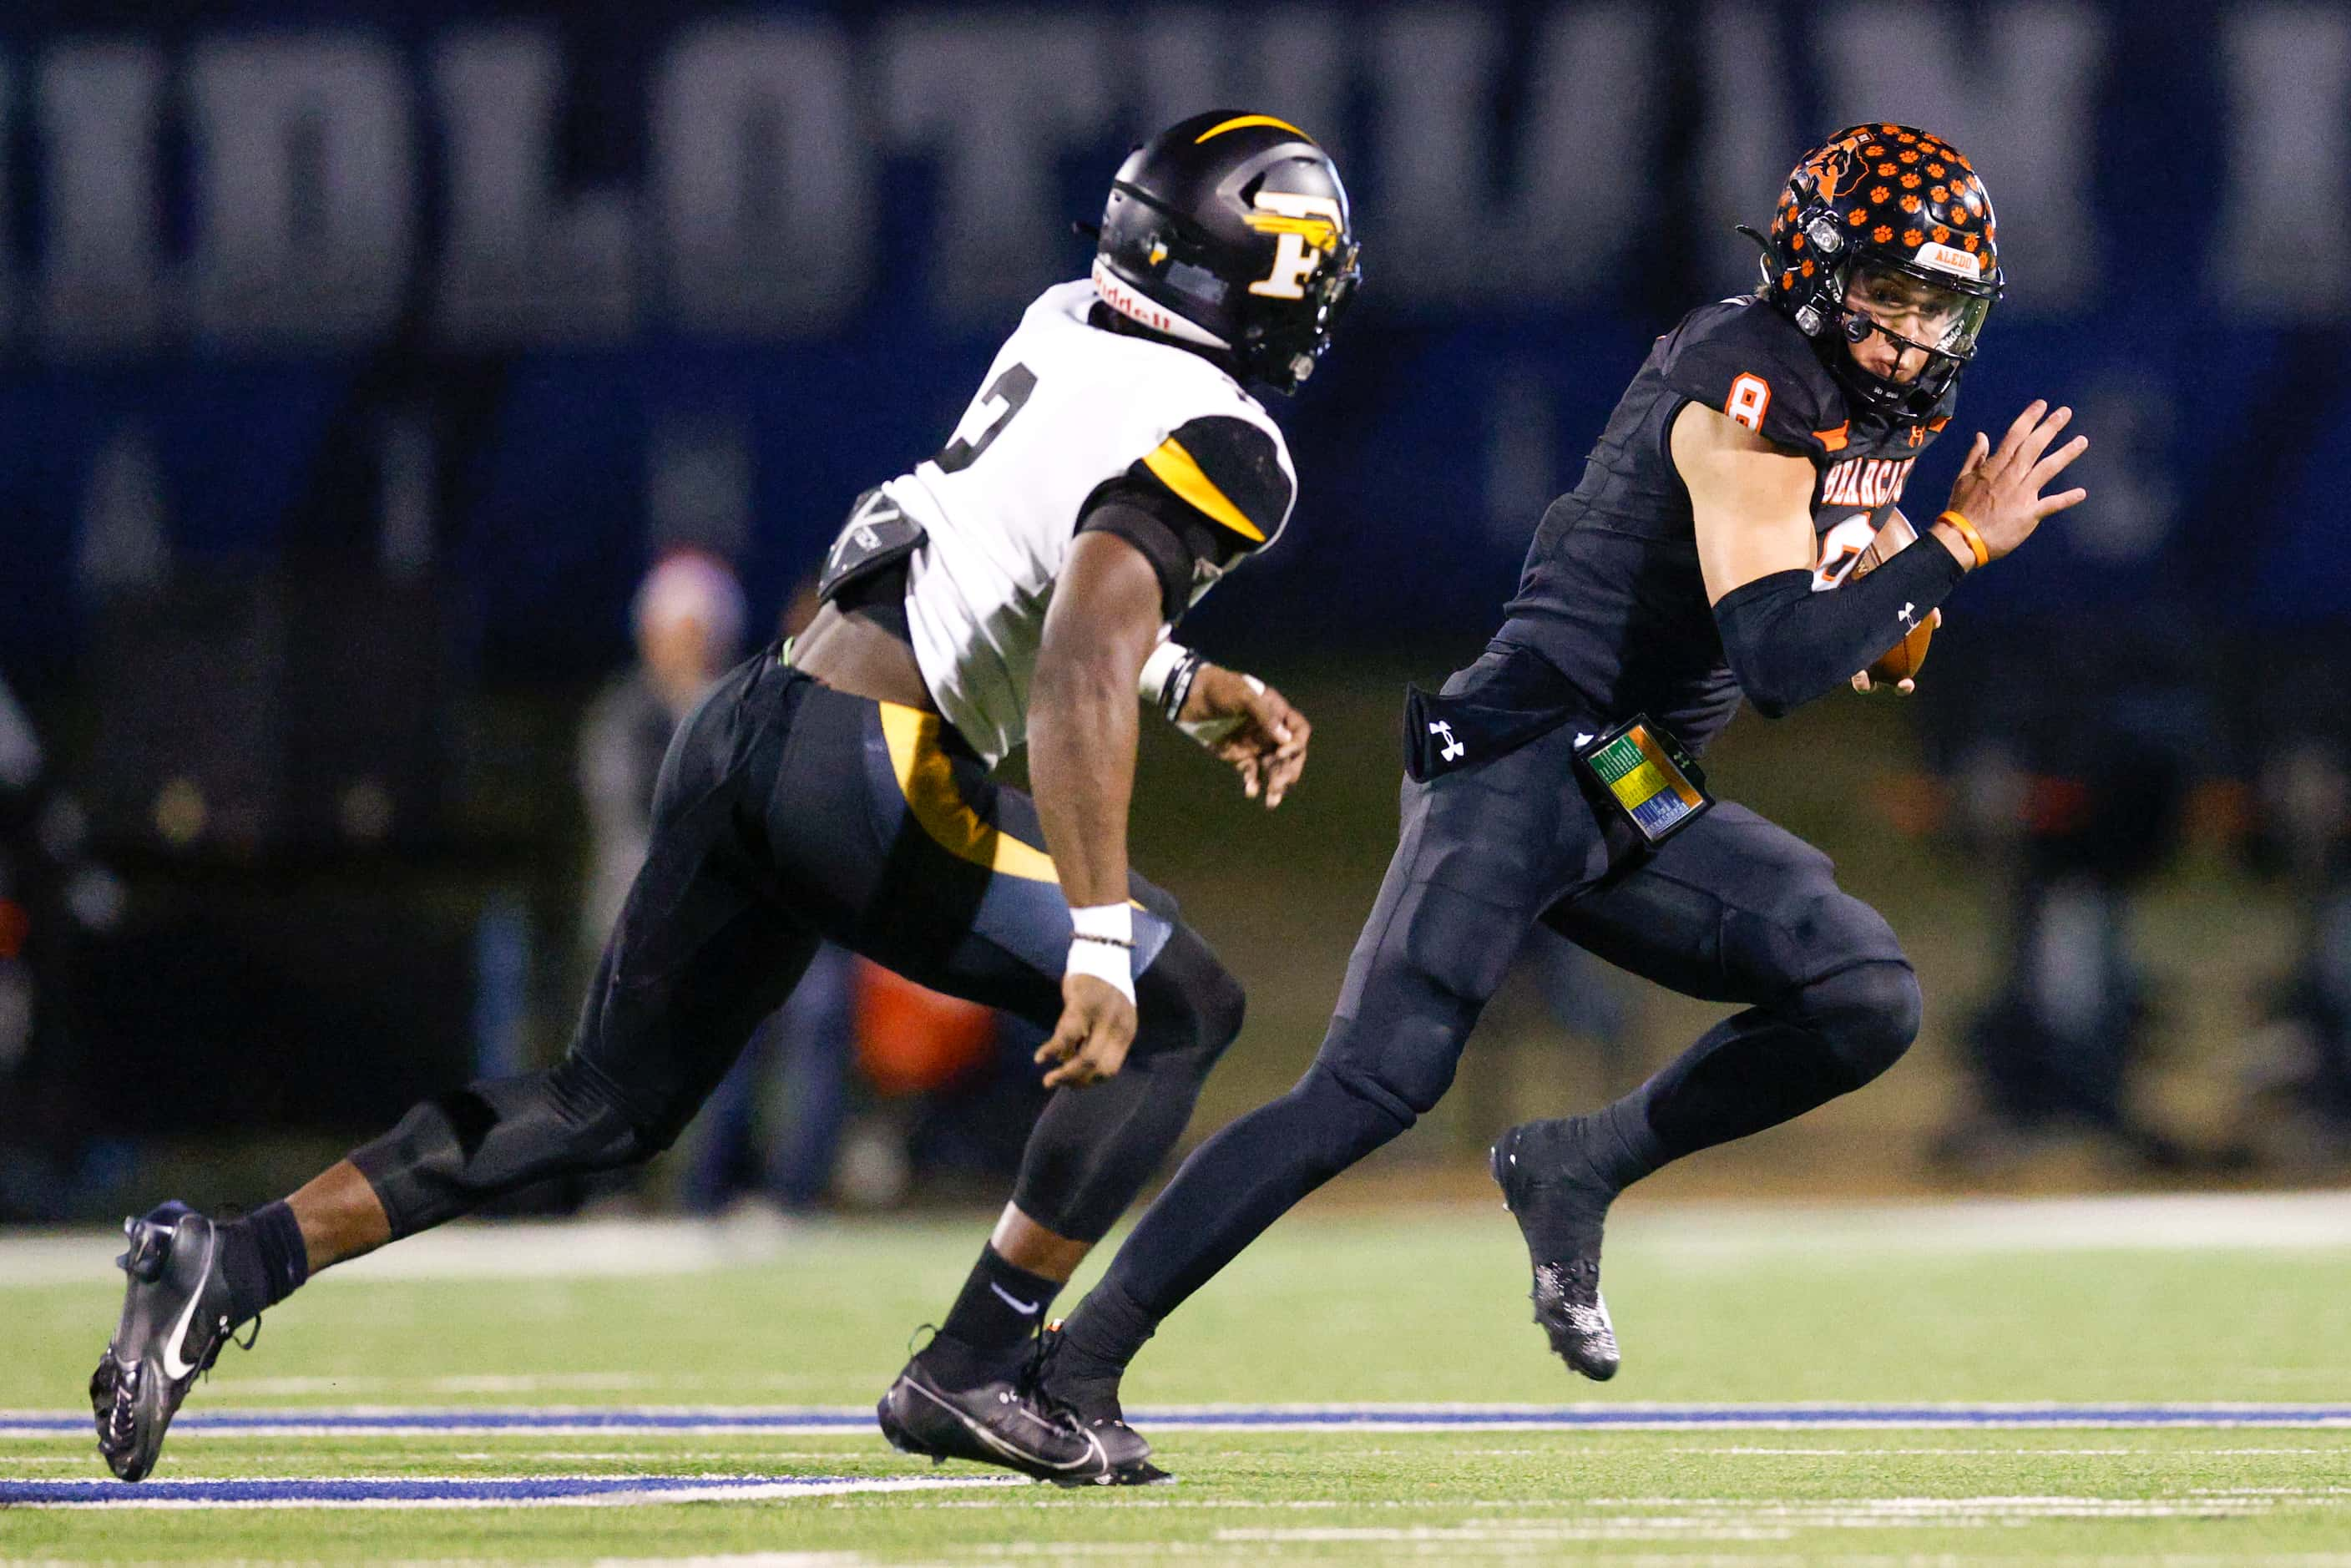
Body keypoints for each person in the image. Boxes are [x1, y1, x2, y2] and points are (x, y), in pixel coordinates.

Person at [89, 109, 1359, 1489]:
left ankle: (234, 1252)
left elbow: (1026, 543)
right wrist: (1102, 934)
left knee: (598, 1104)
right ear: (1251, 273)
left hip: (754, 718)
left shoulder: (1068, 321)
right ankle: (979, 1362)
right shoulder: (1231, 439)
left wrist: (1179, 682)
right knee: (1183, 1005)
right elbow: (1074, 657)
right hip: (876, 756)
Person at [1006, 124, 2090, 1484]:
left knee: (1864, 990)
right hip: (1526, 747)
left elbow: (1835, 618)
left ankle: (1575, 1162)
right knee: (1371, 1083)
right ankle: (1070, 1361)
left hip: (1631, 776)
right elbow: (1778, 662)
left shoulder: (1872, 398)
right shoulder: (1753, 374)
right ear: (1815, 268)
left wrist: (1888, 581)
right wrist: (1951, 548)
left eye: (1938, 304)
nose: (1911, 333)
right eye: (1890, 293)